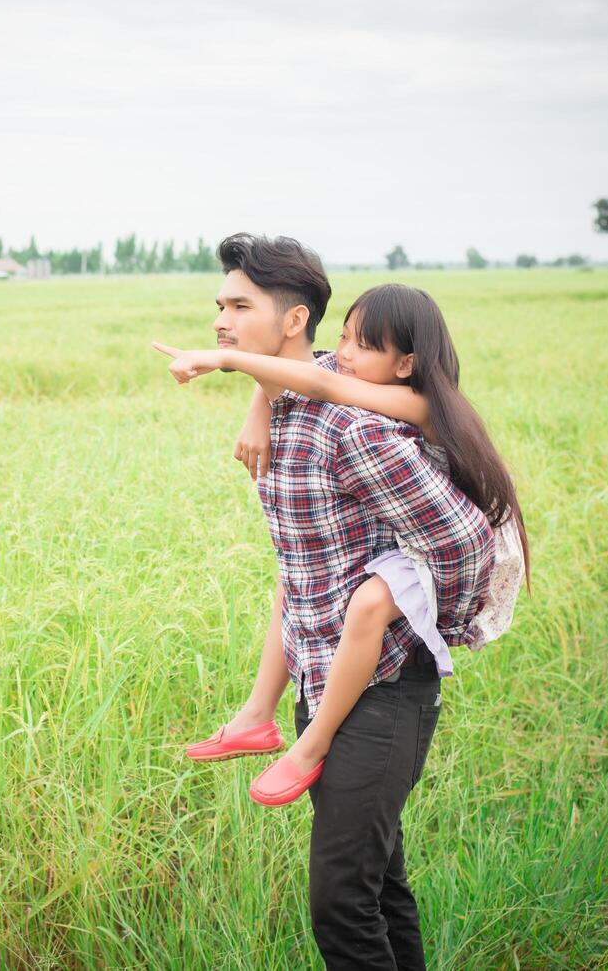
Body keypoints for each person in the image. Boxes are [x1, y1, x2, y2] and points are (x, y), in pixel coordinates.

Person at [158, 233, 497, 968]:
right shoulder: (296, 395)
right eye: (217, 303)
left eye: (238, 305)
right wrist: (257, 398)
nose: (219, 318)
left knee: (341, 902)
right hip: (320, 677)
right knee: (379, 885)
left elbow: (466, 538)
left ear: (291, 317)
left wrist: (404, 603)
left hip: (383, 690)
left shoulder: (355, 428)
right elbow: (304, 377)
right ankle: (257, 719)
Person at [156, 282, 528, 806]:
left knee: (369, 604)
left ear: (406, 363)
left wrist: (223, 359)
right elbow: (310, 373)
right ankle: (258, 714)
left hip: (443, 541)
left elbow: (320, 383)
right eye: (344, 337)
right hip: (408, 529)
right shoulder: (356, 372)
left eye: (364, 345)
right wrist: (258, 409)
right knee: (301, 569)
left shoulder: (409, 399)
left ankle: (313, 744)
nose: (345, 355)